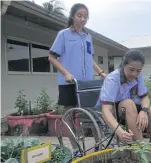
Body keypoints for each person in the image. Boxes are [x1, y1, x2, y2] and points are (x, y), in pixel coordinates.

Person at [48, 3, 106, 156]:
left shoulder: (88, 37)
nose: (83, 19)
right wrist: (66, 73)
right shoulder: (63, 35)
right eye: (79, 15)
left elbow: (89, 58)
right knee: (69, 115)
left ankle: (99, 144)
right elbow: (51, 57)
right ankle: (75, 148)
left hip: (86, 83)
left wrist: (100, 72)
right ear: (73, 16)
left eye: (85, 16)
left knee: (92, 113)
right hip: (69, 82)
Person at [98, 49, 151, 148]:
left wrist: (144, 111)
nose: (134, 74)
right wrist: (119, 131)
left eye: (138, 71)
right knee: (128, 103)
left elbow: (145, 97)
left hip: (132, 108)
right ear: (123, 65)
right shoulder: (112, 79)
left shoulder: (138, 77)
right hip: (115, 111)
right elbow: (106, 111)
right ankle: (141, 148)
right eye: (131, 70)